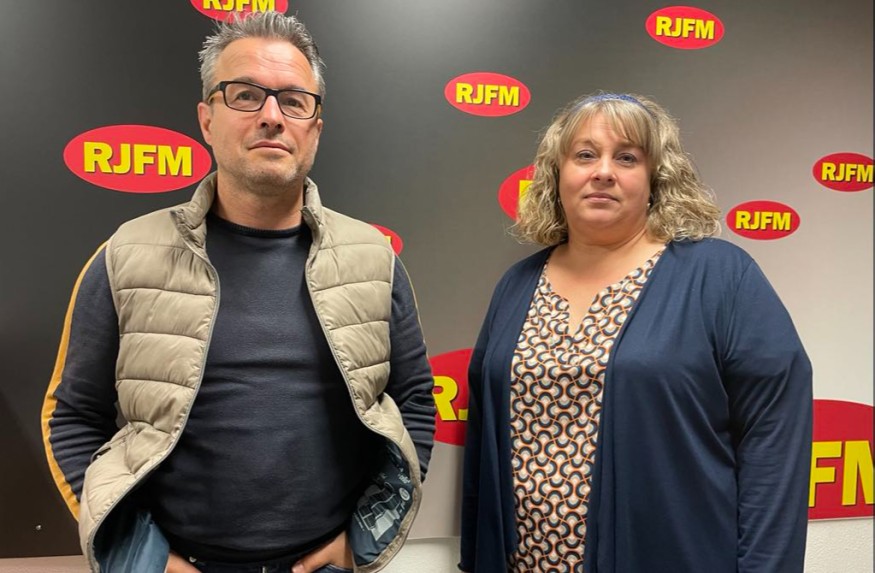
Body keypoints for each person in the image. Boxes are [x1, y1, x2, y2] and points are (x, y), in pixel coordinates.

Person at [41, 11, 435, 573]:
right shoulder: (126, 255)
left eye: (294, 101)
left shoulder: (374, 259)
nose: (272, 116)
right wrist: (144, 560)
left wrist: (360, 543)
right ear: (207, 119)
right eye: (246, 95)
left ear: (315, 128)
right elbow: (72, 417)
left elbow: (414, 402)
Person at [460, 92, 812, 572]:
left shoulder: (719, 276)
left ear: (655, 178)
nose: (603, 171)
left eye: (627, 158)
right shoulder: (518, 284)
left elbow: (774, 440)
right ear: (557, 175)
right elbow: (482, 443)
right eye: (585, 155)